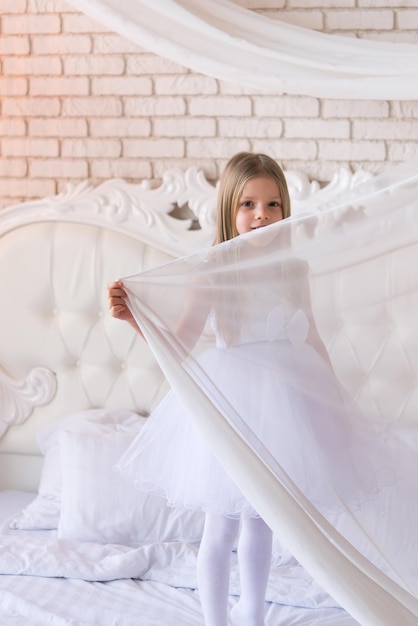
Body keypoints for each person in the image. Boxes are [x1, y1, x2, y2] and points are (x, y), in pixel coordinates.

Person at [107, 152, 382, 625]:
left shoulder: (292, 269)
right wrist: (137, 320)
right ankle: (216, 618)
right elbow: (183, 343)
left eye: (273, 204)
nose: (261, 215)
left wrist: (335, 400)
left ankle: (252, 613)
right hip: (235, 403)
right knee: (221, 523)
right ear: (228, 210)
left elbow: (312, 335)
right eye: (248, 204)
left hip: (290, 402)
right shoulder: (212, 270)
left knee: (264, 518)